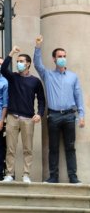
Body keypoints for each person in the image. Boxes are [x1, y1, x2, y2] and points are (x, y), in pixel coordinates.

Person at [34, 35, 85, 184]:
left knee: (70, 148)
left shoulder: (73, 77)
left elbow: (78, 96)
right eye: (59, 56)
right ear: (54, 59)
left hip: (70, 115)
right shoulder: (48, 75)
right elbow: (37, 64)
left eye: (64, 56)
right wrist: (37, 47)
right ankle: (53, 177)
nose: (62, 58)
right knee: (53, 148)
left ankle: (73, 177)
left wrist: (81, 115)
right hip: (54, 116)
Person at [1, 45, 45, 183]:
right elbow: (3, 69)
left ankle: (26, 174)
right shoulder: (13, 77)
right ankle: (9, 174)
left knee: (28, 149)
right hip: (12, 117)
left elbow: (42, 100)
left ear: (28, 64)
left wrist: (39, 114)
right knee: (10, 148)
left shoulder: (35, 81)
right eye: (18, 61)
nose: (19, 63)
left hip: (28, 118)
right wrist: (11, 53)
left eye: (21, 61)